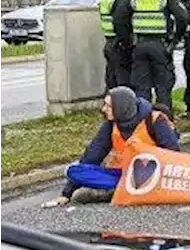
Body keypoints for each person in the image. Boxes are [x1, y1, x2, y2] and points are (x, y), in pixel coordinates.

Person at [41, 87, 180, 207]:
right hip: (120, 175)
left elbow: (174, 156)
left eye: (108, 106)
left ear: (121, 107)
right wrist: (66, 193)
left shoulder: (155, 120)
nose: (104, 109)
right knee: (73, 171)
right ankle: (121, 189)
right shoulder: (111, 123)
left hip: (151, 176)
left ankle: (119, 191)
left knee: (84, 194)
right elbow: (93, 154)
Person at [122, 0, 188, 110]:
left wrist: (127, 41)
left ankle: (143, 123)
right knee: (163, 87)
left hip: (140, 45)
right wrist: (175, 40)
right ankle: (163, 123)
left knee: (141, 88)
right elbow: (182, 18)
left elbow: (119, 19)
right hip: (160, 46)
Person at [99, 0, 134, 92]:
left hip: (109, 42)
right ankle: (121, 108)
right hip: (119, 45)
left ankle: (109, 105)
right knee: (122, 81)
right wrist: (127, 43)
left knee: (111, 77)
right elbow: (121, 24)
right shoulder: (120, 1)